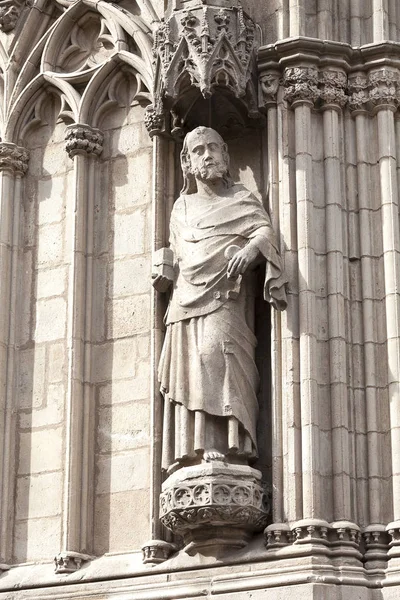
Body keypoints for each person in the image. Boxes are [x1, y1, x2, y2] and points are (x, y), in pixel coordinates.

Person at [152, 127, 287, 474]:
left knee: (221, 357)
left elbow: (264, 232)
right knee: (192, 365)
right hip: (185, 301)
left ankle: (235, 443)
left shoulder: (241, 200)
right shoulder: (181, 206)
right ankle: (198, 447)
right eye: (198, 151)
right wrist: (162, 268)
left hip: (226, 298)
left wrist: (249, 250)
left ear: (226, 154)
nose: (207, 155)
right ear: (186, 161)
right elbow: (179, 251)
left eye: (213, 148)